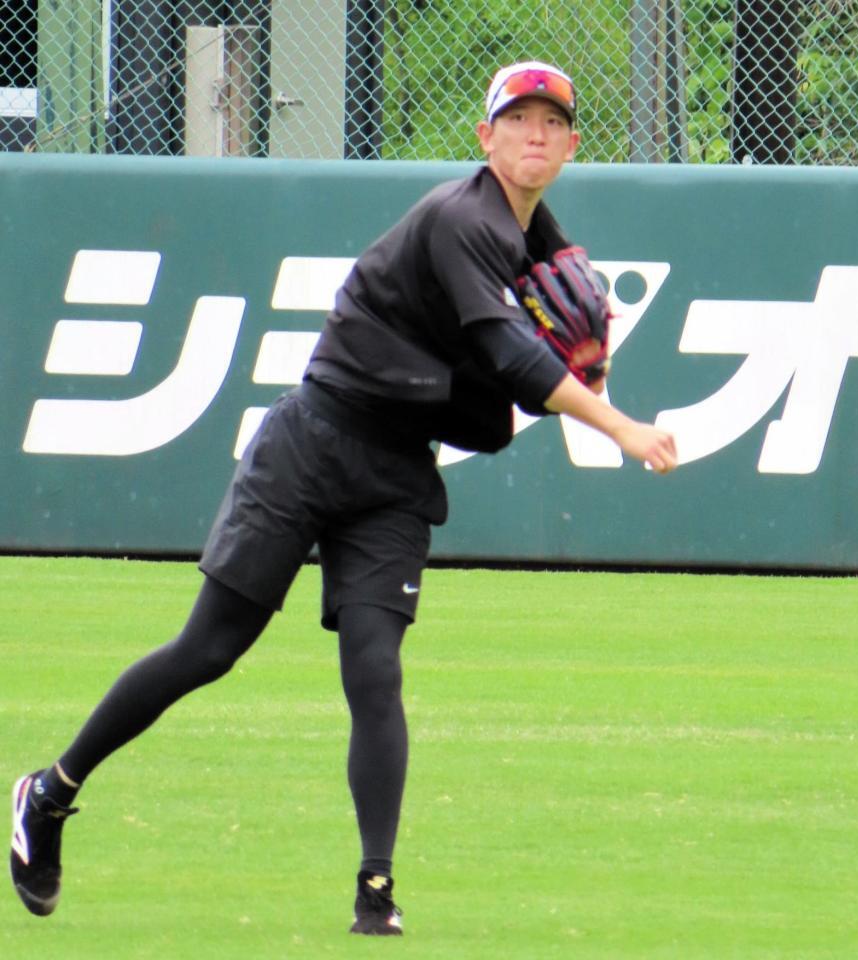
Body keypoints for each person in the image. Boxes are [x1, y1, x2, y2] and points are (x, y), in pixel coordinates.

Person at [10, 60, 677, 935]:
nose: (535, 135)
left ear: (572, 144)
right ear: (485, 137)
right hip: (312, 444)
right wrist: (618, 425)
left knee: (374, 667)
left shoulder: (537, 239)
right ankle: (48, 794)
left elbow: (530, 362)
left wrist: (582, 370)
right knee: (209, 649)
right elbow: (513, 359)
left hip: (395, 474)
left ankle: (375, 889)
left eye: (552, 122)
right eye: (518, 120)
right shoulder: (460, 219)